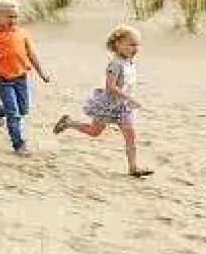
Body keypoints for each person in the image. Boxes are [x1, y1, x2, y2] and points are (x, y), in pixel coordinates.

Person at [53, 25, 153, 177]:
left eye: (137, 45)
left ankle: (133, 167)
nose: (135, 48)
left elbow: (126, 83)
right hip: (109, 105)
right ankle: (69, 122)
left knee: (130, 134)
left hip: (124, 107)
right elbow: (110, 87)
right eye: (131, 44)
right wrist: (129, 98)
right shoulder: (115, 64)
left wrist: (128, 99)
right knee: (95, 132)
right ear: (118, 44)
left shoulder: (129, 62)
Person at [0, 0, 51, 155]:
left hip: (21, 78)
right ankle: (18, 144)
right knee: (14, 114)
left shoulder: (21, 33)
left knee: (23, 109)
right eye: (9, 16)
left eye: (15, 16)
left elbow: (31, 54)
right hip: (3, 81)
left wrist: (42, 73)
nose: (13, 20)